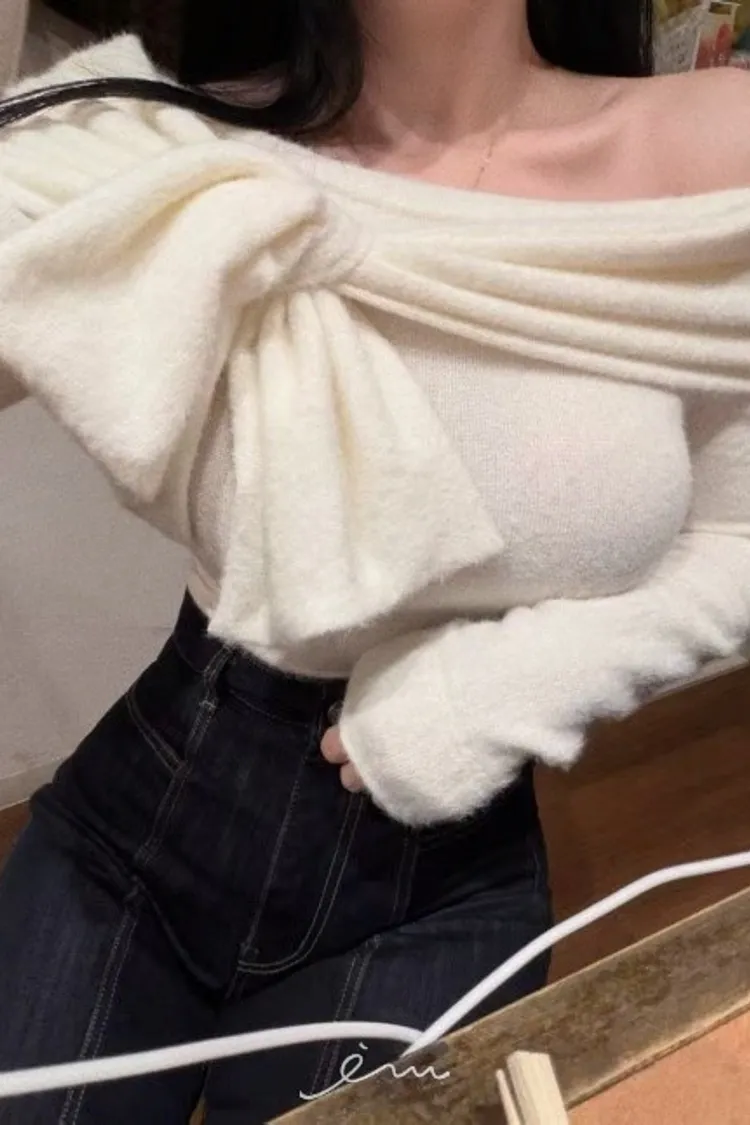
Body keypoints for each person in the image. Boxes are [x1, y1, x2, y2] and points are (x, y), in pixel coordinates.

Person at [0, 1, 749, 1122]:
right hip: (141, 826)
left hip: (438, 878)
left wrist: (505, 688)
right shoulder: (161, 153)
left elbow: (740, 537)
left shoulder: (720, 146)